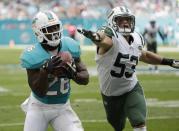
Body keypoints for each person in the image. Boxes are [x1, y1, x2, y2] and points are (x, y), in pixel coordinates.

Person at [77, 6, 179, 131]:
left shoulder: (136, 38)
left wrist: (169, 62)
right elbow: (104, 40)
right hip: (111, 94)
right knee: (117, 125)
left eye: (128, 19)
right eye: (121, 20)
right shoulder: (111, 37)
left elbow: (144, 55)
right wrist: (95, 37)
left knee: (139, 121)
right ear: (112, 22)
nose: (125, 22)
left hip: (131, 87)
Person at [20, 11, 89, 131]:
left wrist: (73, 74)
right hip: (38, 107)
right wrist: (45, 71)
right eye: (49, 28)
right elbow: (39, 91)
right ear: (38, 32)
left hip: (62, 107)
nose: (54, 32)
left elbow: (85, 79)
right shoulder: (32, 56)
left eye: (56, 27)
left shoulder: (69, 46)